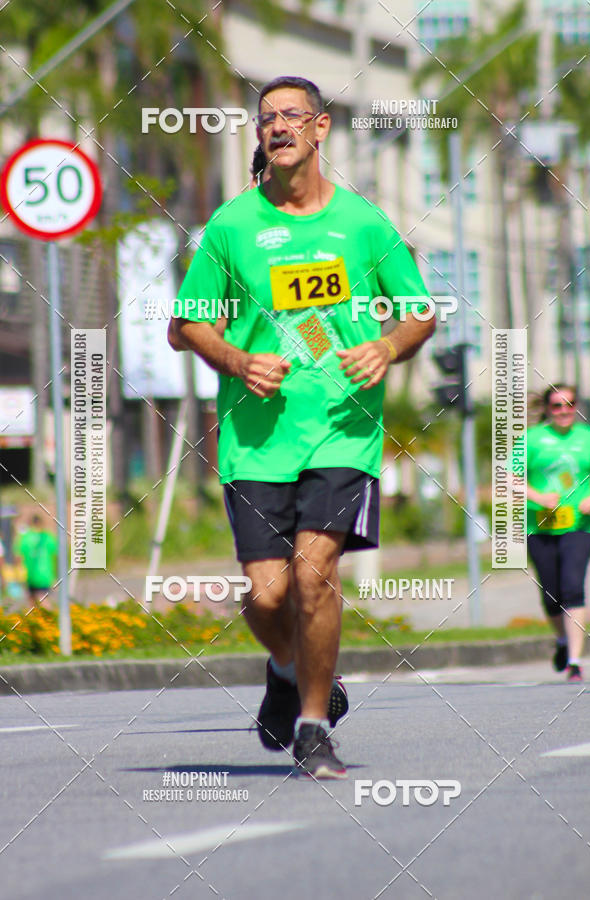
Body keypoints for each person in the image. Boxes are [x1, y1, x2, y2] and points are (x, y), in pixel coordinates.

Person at [169, 75, 434, 778]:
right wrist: (235, 357)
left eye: (292, 116)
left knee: (313, 579)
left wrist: (386, 345)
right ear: (259, 136)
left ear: (321, 129)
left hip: (345, 431)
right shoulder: (232, 227)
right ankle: (287, 668)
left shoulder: (364, 224)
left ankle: (314, 726)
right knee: (267, 594)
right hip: (256, 440)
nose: (278, 127)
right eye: (266, 119)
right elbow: (184, 324)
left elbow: (420, 310)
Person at [526, 384, 590, 682]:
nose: (564, 410)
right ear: (547, 409)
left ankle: (575, 662)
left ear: (576, 405)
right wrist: (538, 498)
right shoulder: (532, 440)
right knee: (551, 594)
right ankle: (561, 640)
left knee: (572, 587)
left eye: (569, 404)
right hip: (539, 526)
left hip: (580, 526)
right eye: (557, 405)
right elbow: (508, 480)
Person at [14, 515, 58, 607]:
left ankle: (35, 619)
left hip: (30, 575)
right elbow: (56, 553)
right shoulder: (47, 536)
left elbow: (18, 557)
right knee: (44, 600)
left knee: (32, 601)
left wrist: (17, 574)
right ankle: (51, 618)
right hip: (45, 575)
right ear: (41, 524)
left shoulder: (25, 538)